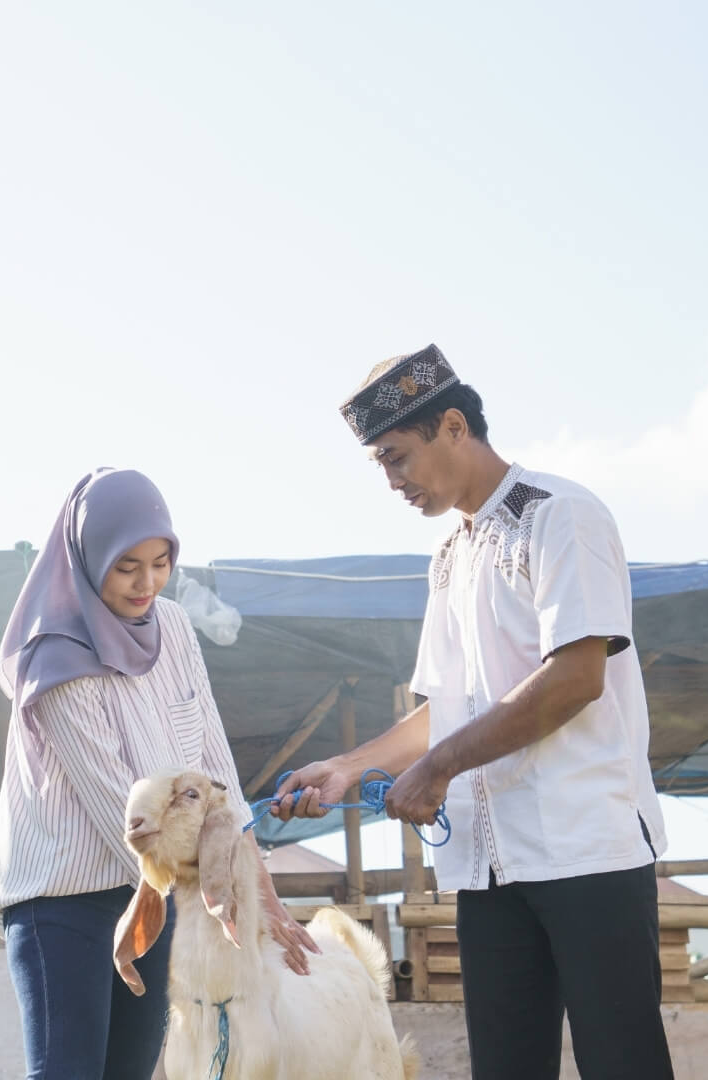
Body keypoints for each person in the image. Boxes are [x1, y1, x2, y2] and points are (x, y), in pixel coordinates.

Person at [273, 345, 675, 1080]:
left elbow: (577, 677)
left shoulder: (561, 516)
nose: (393, 481)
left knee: (623, 1064)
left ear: (453, 424)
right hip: (490, 868)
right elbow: (444, 711)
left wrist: (439, 767)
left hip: (588, 847)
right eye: (381, 467)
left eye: (397, 458)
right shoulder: (449, 555)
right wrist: (346, 766)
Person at [0, 466, 318, 1080]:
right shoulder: (56, 658)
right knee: (67, 1072)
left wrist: (264, 898)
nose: (147, 583)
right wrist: (218, 889)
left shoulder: (176, 632)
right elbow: (127, 815)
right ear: (87, 558)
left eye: (160, 562)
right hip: (63, 902)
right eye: (126, 565)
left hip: (155, 895)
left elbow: (217, 779)